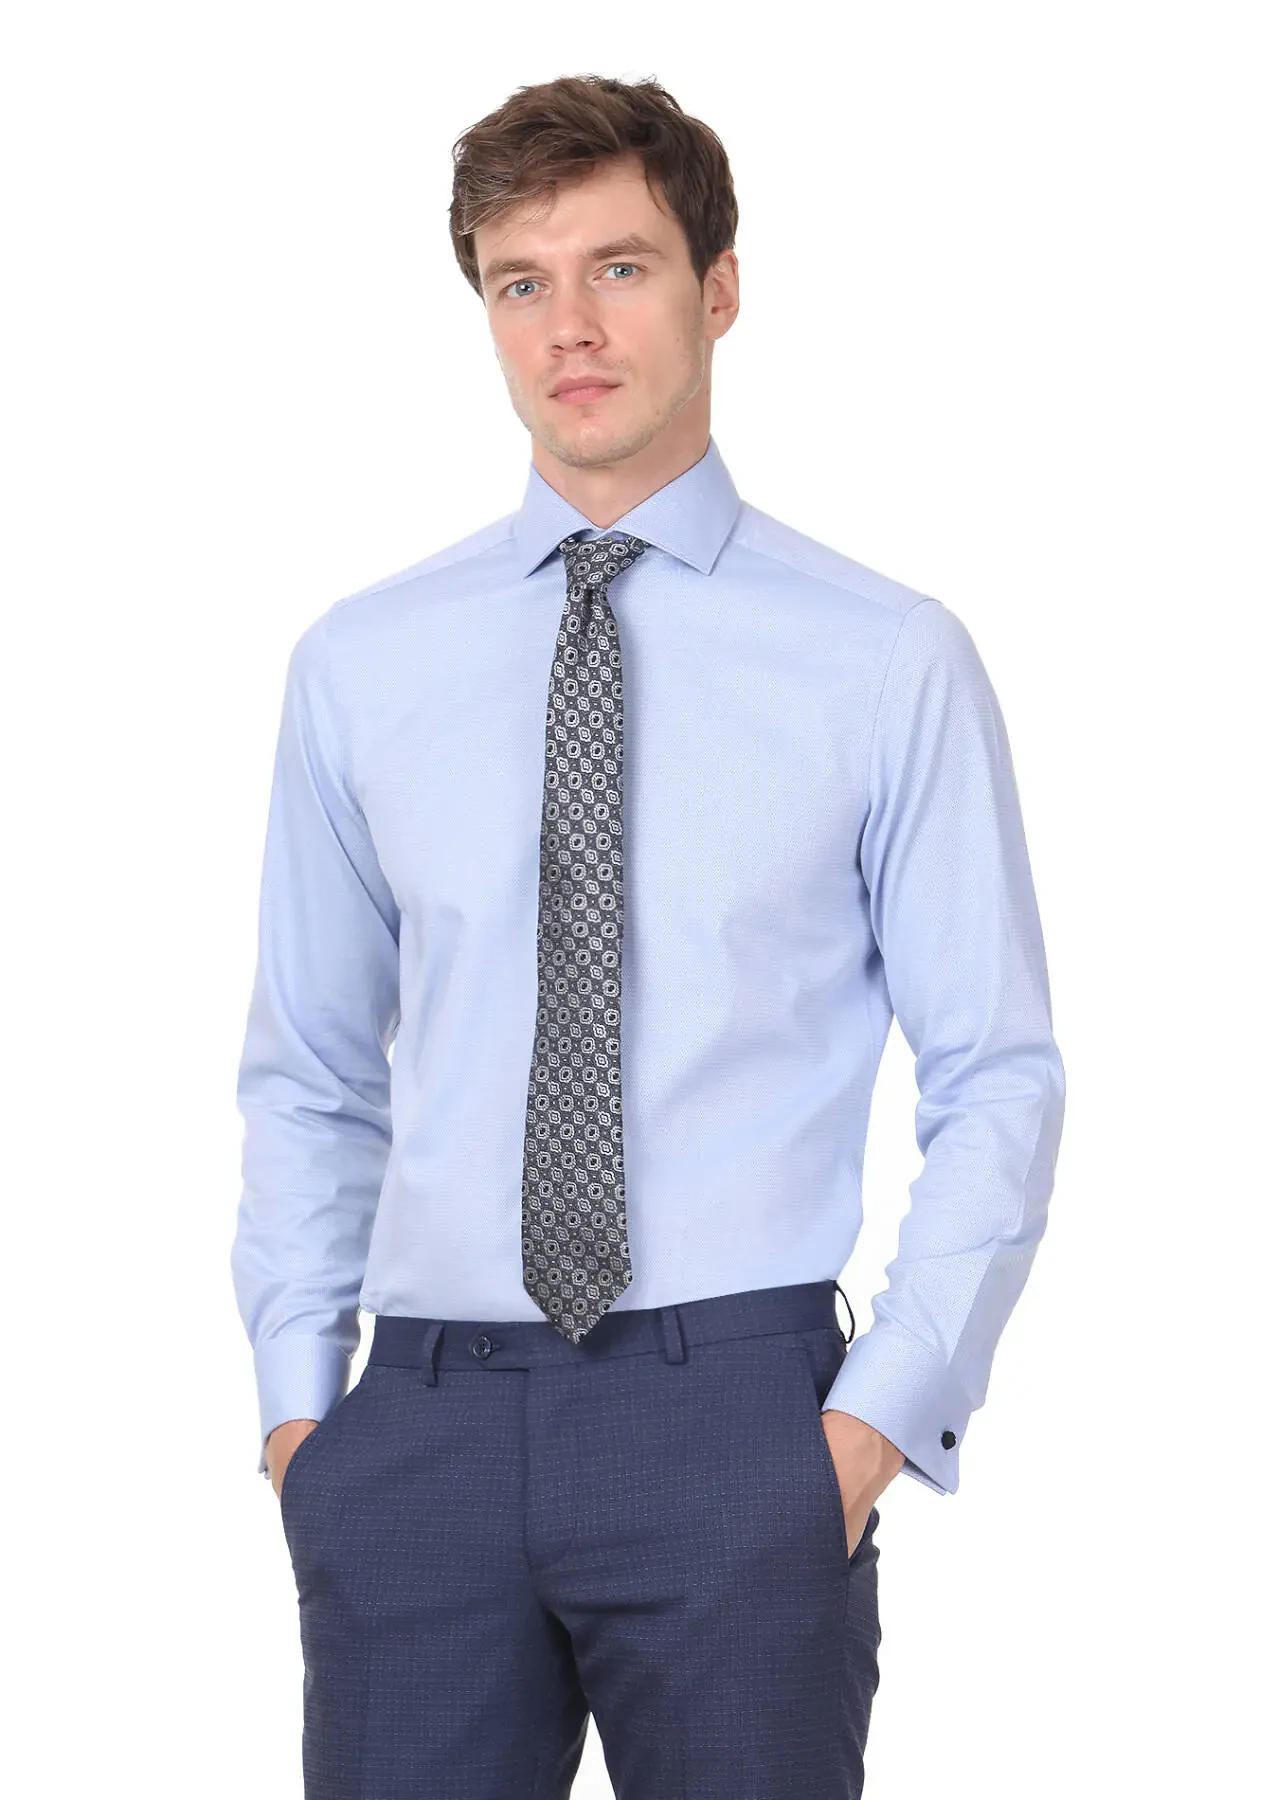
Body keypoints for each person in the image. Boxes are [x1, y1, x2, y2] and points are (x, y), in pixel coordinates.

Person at [230, 72, 1066, 1799]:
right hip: (420, 1433)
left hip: (737, 1418)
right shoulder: (361, 666)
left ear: (720, 288)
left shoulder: (882, 659)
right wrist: (304, 1415)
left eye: (620, 267)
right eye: (520, 282)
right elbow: (310, 1070)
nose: (571, 327)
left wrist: (867, 1428)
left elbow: (998, 1073)